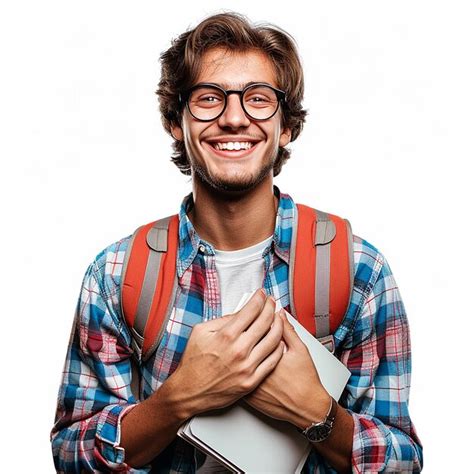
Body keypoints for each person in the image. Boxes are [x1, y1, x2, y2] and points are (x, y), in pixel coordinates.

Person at [51, 12, 423, 473]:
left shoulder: (359, 271)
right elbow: (70, 455)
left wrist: (316, 414)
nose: (233, 118)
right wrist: (178, 398)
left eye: (258, 99)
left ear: (285, 126)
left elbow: (403, 460)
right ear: (176, 121)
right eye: (209, 98)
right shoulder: (116, 275)